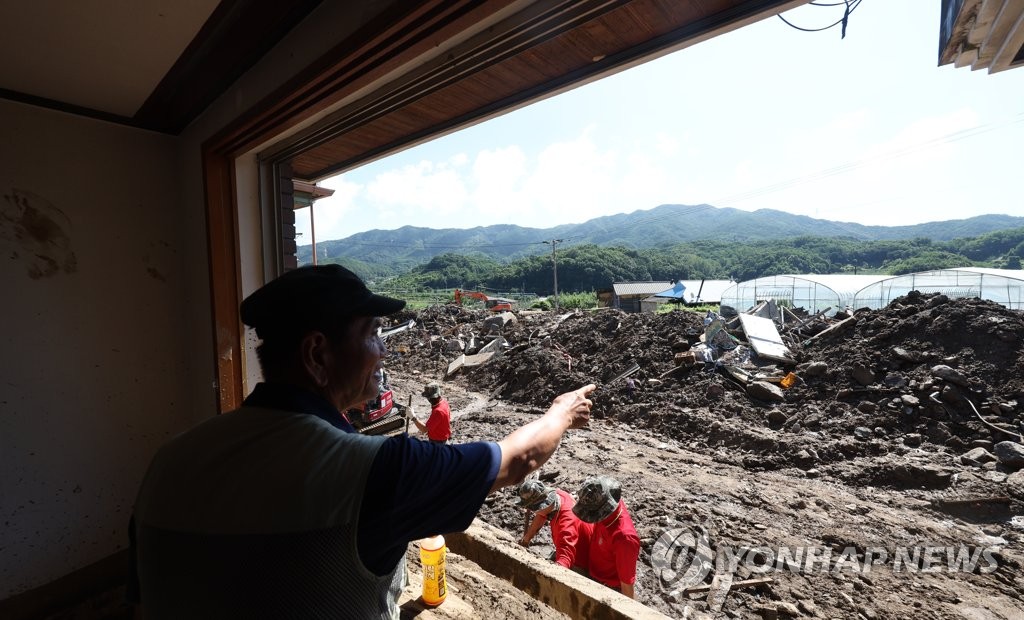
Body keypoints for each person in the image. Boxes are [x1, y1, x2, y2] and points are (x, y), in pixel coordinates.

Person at [128, 264, 595, 619]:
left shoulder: (169, 458)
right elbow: (518, 460)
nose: (384, 349)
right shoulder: (370, 470)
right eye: (372, 333)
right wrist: (562, 411)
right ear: (317, 354)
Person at [572, 475, 641, 599]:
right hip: (593, 570)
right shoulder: (611, 503)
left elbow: (626, 584)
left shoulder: (624, 539)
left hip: (608, 589)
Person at [516, 479, 592, 573]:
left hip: (583, 563)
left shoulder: (566, 527)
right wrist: (526, 540)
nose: (533, 512)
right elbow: (541, 515)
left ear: (541, 506)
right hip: (576, 545)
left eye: (533, 510)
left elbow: (564, 562)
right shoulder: (558, 495)